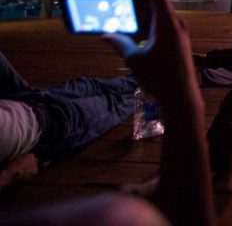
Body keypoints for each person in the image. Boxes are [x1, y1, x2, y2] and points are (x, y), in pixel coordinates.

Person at [6, 0, 216, 226]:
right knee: (126, 215)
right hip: (44, 123)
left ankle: (147, 79)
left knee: (96, 85)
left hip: (25, 99)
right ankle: (154, 81)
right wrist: (181, 97)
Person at [0, 51, 137, 174]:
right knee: (115, 103)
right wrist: (12, 174)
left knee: (88, 84)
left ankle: (146, 76)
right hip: (52, 128)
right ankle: (151, 87)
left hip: (25, 100)